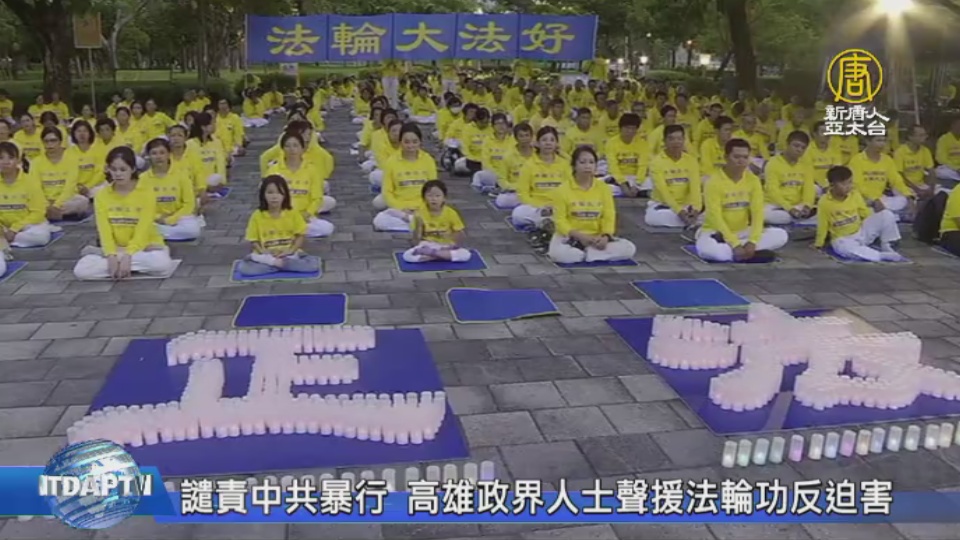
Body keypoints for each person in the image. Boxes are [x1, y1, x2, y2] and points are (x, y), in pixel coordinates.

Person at [73, 147, 176, 280]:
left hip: (144, 247)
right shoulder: (102, 196)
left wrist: (128, 255)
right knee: (81, 271)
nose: (118, 174)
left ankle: (118, 264)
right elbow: (104, 231)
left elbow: (142, 231)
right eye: (114, 169)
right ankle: (121, 265)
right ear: (108, 169)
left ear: (132, 169)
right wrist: (111, 255)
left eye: (123, 169)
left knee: (162, 264)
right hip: (116, 248)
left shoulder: (146, 193)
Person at [695, 139, 789, 262]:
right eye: (736, 157)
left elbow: (757, 214)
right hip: (717, 232)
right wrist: (734, 244)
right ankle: (748, 254)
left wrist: (752, 241)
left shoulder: (753, 180)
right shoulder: (713, 182)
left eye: (745, 157)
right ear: (726, 157)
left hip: (742, 232)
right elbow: (715, 217)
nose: (741, 161)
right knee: (711, 252)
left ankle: (742, 252)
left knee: (781, 235)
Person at [547, 146, 637, 264]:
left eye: (591, 162)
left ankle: (587, 253)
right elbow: (560, 221)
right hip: (570, 237)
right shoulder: (561, 190)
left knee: (629, 249)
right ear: (574, 165)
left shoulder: (604, 188)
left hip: (596, 237)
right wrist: (581, 237)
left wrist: (605, 236)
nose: (587, 166)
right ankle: (590, 253)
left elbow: (609, 216)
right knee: (561, 254)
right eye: (582, 162)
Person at [814, 165, 905, 262]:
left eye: (850, 182)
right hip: (843, 239)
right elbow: (822, 225)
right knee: (845, 249)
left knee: (886, 214)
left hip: (861, 232)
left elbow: (865, 213)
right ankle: (881, 256)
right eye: (844, 184)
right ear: (832, 185)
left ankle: (888, 245)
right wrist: (819, 243)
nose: (848, 186)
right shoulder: (824, 202)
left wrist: (876, 224)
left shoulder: (855, 194)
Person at [238, 175, 321, 277]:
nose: (274, 197)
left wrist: (291, 250)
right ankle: (278, 264)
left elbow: (300, 235)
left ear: (285, 195)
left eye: (279, 192)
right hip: (266, 256)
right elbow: (253, 240)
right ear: (263, 195)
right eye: (270, 192)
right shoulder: (257, 215)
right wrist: (264, 253)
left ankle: (278, 265)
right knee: (244, 268)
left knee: (313, 264)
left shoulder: (293, 213)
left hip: (288, 255)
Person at [511, 127, 573, 249]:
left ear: (557, 144)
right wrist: (541, 207)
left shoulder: (565, 165)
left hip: (558, 207)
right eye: (544, 140)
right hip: (537, 208)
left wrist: (557, 206)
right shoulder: (529, 165)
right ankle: (547, 225)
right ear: (538, 143)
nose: (548, 143)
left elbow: (570, 190)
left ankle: (547, 228)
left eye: (552, 140)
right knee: (518, 213)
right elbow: (523, 194)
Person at [267, 131, 335, 237]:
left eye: (295, 145)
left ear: (303, 148)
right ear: (282, 149)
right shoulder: (274, 170)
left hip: (303, 214)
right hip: (281, 215)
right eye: (287, 146)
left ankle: (289, 230)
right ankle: (290, 229)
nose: (292, 149)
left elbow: (317, 198)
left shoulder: (312, 170)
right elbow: (269, 197)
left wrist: (307, 213)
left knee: (327, 228)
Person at [373, 123, 437, 231]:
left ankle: (415, 224)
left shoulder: (428, 160)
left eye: (415, 142)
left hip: (424, 207)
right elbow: (387, 191)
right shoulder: (392, 161)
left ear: (420, 142)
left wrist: (421, 207)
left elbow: (433, 189)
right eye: (406, 142)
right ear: (400, 142)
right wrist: (401, 208)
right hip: (401, 209)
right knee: (379, 220)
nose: (411, 146)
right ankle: (418, 225)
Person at [141, 138, 202, 242]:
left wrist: (170, 220)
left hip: (179, 218)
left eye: (162, 153)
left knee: (193, 230)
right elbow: (141, 205)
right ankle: (164, 233)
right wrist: (157, 217)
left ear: (169, 154)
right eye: (154, 153)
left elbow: (189, 204)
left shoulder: (181, 175)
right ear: (149, 156)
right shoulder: (142, 179)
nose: (158, 157)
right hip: (154, 220)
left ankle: (159, 234)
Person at [646, 125, 702, 228]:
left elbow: (695, 189)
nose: (676, 142)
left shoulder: (691, 160)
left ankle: (691, 221)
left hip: (687, 206)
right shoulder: (656, 162)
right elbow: (664, 192)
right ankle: (692, 223)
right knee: (653, 217)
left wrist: (696, 209)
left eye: (679, 139)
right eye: (671, 139)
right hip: (665, 206)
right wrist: (679, 211)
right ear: (664, 141)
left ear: (684, 140)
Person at [402, 180, 472, 263]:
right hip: (427, 245)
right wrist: (418, 225)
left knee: (465, 255)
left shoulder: (451, 213)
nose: (433, 199)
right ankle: (441, 256)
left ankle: (433, 255)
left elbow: (459, 234)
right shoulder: (419, 213)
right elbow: (416, 241)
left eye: (437, 196)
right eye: (430, 196)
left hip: (446, 245)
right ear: (424, 197)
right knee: (407, 256)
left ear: (444, 198)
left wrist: (455, 244)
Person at [0, 142, 51, 255]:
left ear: (18, 160)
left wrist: (14, 229)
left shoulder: (30, 181)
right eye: (1, 158)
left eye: (10, 158)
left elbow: (38, 212)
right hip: (4, 227)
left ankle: (5, 242)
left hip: (28, 225)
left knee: (40, 238)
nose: (5, 162)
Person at [848, 134, 914, 219]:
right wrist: (874, 200)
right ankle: (891, 215)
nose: (882, 144)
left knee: (904, 200)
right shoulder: (856, 160)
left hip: (882, 199)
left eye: (884, 141)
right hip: (863, 199)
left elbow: (896, 181)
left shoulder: (887, 160)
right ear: (868, 141)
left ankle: (889, 215)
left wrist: (909, 196)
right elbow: (857, 185)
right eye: (878, 140)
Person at [32, 126, 90, 222]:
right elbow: (35, 187)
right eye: (46, 141)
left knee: (83, 202)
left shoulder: (72, 159)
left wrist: (56, 205)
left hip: (65, 200)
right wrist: (46, 204)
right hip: (44, 200)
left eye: (53, 140)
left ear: (60, 142)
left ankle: (48, 213)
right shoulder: (36, 162)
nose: (50, 144)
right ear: (42, 142)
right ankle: (52, 213)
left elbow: (69, 187)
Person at [763, 131, 817, 226]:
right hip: (775, 205)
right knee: (765, 215)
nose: (799, 150)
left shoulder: (806, 164)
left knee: (824, 210)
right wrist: (789, 208)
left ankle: (798, 218)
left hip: (797, 206)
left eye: (803, 148)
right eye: (796, 146)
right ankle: (799, 220)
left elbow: (809, 188)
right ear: (787, 144)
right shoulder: (773, 163)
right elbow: (772, 191)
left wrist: (807, 205)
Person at [603, 113, 649, 198]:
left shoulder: (643, 143)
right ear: (620, 128)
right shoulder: (611, 143)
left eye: (633, 128)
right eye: (627, 128)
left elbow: (643, 166)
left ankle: (636, 192)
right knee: (605, 187)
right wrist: (623, 184)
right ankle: (638, 193)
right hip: (617, 179)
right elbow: (613, 166)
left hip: (635, 178)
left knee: (653, 183)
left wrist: (637, 185)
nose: (630, 131)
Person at [472, 112, 514, 192]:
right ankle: (494, 188)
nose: (501, 126)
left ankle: (494, 188)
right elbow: (486, 163)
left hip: (509, 175)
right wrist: (497, 174)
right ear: (492, 126)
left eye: (503, 123)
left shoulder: (514, 141)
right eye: (497, 124)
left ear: (507, 125)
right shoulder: (487, 141)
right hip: (494, 174)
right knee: (478, 175)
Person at [187, 112, 227, 193]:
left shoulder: (216, 142)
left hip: (214, 184)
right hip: (196, 187)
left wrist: (221, 182)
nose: (214, 125)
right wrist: (202, 186)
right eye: (212, 123)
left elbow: (221, 164)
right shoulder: (189, 144)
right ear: (203, 127)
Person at [68, 120, 107, 199]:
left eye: (85, 131)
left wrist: (88, 186)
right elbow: (68, 175)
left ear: (90, 134)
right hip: (76, 189)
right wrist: (78, 188)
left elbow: (100, 172)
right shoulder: (68, 152)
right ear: (74, 134)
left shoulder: (99, 149)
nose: (82, 134)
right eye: (79, 131)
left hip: (94, 186)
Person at [894, 124, 935, 199]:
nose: (925, 137)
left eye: (925, 135)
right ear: (910, 137)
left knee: (943, 193)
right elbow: (900, 176)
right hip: (904, 185)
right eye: (921, 135)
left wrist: (931, 188)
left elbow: (931, 171)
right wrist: (917, 190)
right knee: (908, 198)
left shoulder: (925, 150)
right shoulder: (899, 152)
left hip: (920, 184)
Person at [454, 107, 491, 177]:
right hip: (473, 159)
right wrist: (471, 157)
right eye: (482, 123)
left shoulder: (491, 128)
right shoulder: (468, 128)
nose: (484, 125)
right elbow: (464, 146)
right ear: (476, 120)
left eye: (486, 122)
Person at [369, 119, 402, 190]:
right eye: (394, 131)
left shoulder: (409, 145)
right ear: (388, 133)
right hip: (391, 173)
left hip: (407, 174)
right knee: (375, 175)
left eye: (400, 131)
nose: (397, 133)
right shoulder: (382, 145)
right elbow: (383, 165)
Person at [935, 117, 960, 189]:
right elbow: (941, 159)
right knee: (940, 172)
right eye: (958, 126)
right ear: (952, 126)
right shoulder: (943, 139)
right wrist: (956, 168)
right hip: (950, 168)